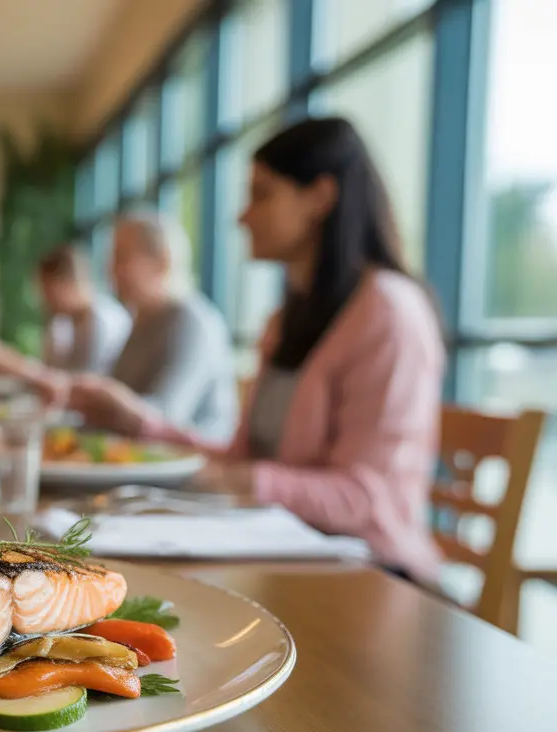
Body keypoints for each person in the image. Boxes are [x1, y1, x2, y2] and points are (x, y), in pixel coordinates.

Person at [67, 117, 446, 582]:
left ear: (320, 198)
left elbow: (370, 500)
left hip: (371, 574)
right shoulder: (286, 319)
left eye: (262, 194)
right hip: (283, 551)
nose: (242, 216)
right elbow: (241, 458)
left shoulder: (389, 312)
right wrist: (139, 423)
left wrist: (246, 480)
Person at [101, 211, 237, 442]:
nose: (111, 270)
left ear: (161, 261)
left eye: (122, 258)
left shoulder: (191, 321)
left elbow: (166, 417)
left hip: (193, 467)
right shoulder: (140, 320)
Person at [0, 243, 132, 381]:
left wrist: (8, 363)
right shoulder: (61, 323)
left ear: (67, 283)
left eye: (47, 291)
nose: (44, 300)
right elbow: (50, 373)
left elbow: (73, 385)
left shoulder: (104, 320)